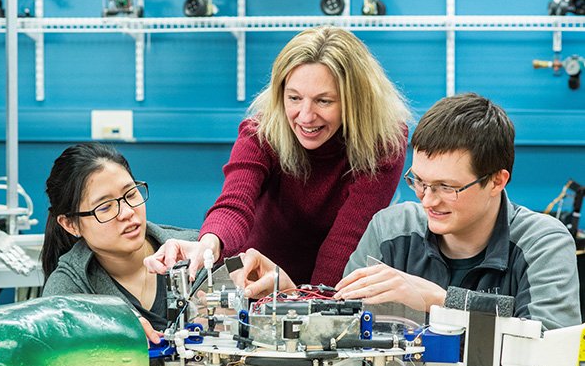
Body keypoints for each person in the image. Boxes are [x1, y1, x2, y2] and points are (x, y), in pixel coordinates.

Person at [237, 93, 581, 331]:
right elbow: (340, 325)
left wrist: (441, 301)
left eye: (448, 187)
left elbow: (550, 344)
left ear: (496, 181)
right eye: (420, 181)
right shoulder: (391, 230)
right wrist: (292, 297)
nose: (428, 200)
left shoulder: (543, 242)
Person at [145, 26, 410, 287]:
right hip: (256, 274)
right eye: (294, 98)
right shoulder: (261, 133)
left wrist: (312, 306)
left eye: (324, 101)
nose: (305, 116)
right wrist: (209, 244)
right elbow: (234, 203)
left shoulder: (383, 143)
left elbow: (345, 241)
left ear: (356, 101)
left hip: (333, 283)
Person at [41, 143, 200, 343]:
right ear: (71, 225)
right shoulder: (67, 292)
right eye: (105, 207)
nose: (127, 212)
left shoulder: (195, 252)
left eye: (131, 194)